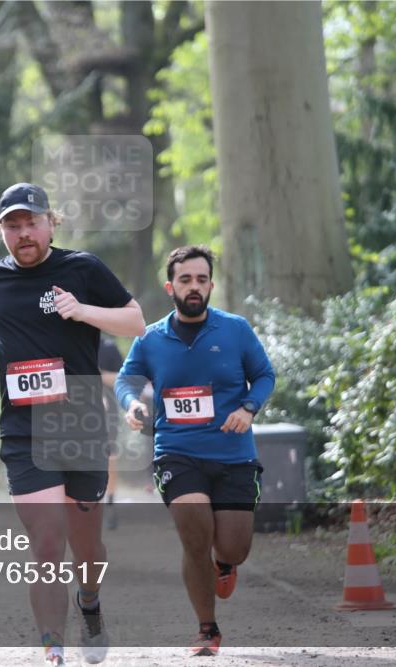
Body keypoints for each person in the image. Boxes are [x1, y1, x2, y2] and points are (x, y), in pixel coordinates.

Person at [0, 183, 145, 666]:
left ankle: (89, 599)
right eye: (12, 225)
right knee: (47, 540)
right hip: (23, 426)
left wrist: (82, 310)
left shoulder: (82, 268)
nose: (23, 233)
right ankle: (53, 650)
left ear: (51, 222)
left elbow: (136, 322)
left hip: (81, 420)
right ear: (1, 231)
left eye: (31, 223)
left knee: (87, 545)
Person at [115, 245, 275, 657]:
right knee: (194, 537)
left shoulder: (235, 329)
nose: (194, 287)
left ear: (211, 285)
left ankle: (225, 565)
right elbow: (126, 379)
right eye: (185, 280)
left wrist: (248, 408)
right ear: (170, 286)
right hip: (177, 452)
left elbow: (263, 375)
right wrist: (132, 404)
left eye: (201, 280)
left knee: (234, 547)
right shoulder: (150, 338)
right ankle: (207, 629)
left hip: (233, 452)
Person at [96, 337, 123, 530]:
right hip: (72, 411)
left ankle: (110, 503)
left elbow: (123, 378)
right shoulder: (63, 341)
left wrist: (96, 376)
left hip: (108, 413)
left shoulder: (108, 347)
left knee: (109, 457)